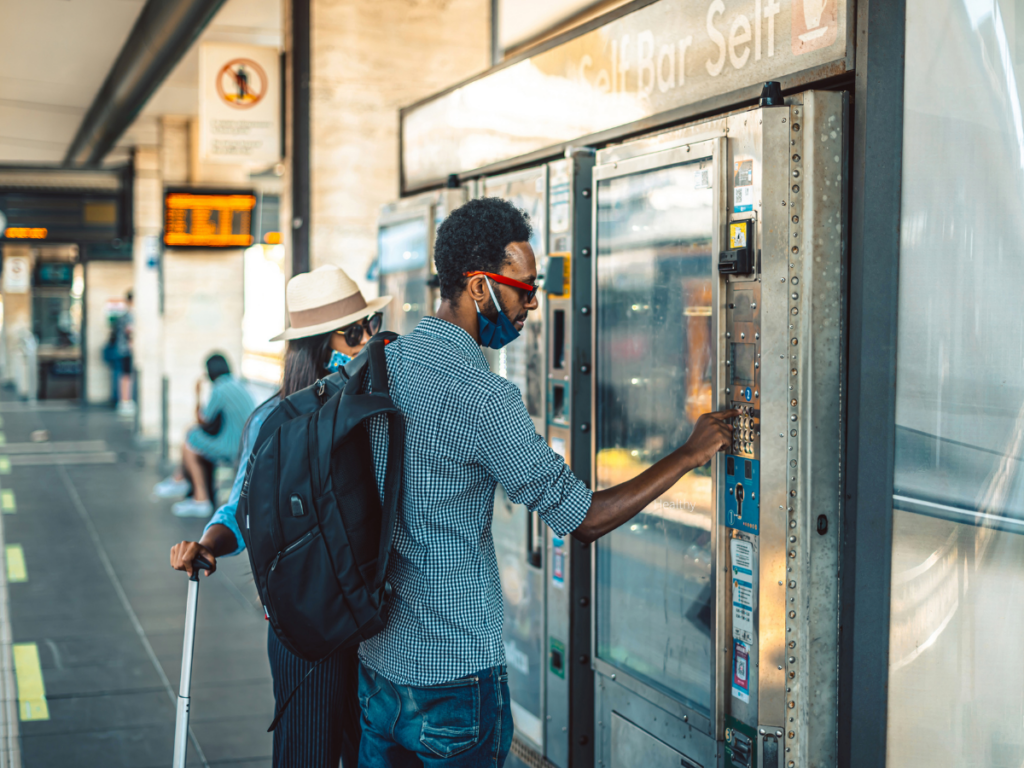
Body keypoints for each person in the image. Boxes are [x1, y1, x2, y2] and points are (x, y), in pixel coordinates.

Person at [355, 197, 736, 767]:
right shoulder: (484, 398)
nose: (532, 304)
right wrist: (688, 453)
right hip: (455, 681)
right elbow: (582, 517)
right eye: (524, 288)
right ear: (478, 286)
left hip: (381, 667)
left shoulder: (382, 362)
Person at [169, 264, 392, 767]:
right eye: (354, 333)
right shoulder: (274, 421)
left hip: (377, 619)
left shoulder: (379, 405)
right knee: (306, 752)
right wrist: (209, 543)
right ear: (317, 347)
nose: (367, 342)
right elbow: (239, 507)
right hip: (308, 618)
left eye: (371, 327)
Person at [154, 353, 255, 518]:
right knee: (193, 435)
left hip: (232, 446)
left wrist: (197, 393)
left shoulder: (220, 388)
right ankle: (180, 478)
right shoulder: (238, 383)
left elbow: (204, 419)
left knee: (190, 438)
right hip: (246, 444)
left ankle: (199, 497)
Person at [115, 291, 134, 417]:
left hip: (123, 349)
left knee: (126, 376)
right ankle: (125, 401)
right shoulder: (129, 315)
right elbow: (129, 332)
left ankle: (125, 401)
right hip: (126, 350)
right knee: (126, 376)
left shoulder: (126, 315)